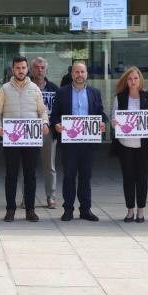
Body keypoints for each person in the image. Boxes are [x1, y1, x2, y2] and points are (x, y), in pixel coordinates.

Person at [0, 56, 49, 222]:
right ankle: (10, 209)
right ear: (13, 69)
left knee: (30, 175)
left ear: (27, 69)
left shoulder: (35, 88)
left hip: (31, 139)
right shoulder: (5, 89)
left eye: (23, 68)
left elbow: (42, 111)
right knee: (11, 175)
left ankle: (30, 209)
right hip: (12, 139)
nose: (21, 71)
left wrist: (45, 123)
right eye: (18, 68)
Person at [50, 62, 106, 222]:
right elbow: (54, 115)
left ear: (86, 74)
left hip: (88, 142)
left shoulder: (95, 93)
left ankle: (85, 210)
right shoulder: (62, 93)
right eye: (76, 72)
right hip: (69, 143)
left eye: (82, 72)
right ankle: (68, 209)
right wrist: (56, 125)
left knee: (85, 177)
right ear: (72, 74)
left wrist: (102, 123)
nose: (79, 75)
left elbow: (100, 113)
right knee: (69, 176)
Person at [111, 67, 148, 223]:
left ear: (140, 80)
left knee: (142, 178)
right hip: (125, 145)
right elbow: (114, 118)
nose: (133, 81)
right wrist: (114, 122)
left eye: (135, 78)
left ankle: (141, 211)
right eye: (130, 79)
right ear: (126, 81)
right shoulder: (120, 98)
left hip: (144, 145)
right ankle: (130, 210)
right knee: (128, 178)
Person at [26, 56, 60, 209]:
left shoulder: (54, 88)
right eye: (36, 68)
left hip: (48, 130)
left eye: (42, 68)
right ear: (31, 70)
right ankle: (26, 198)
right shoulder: (24, 86)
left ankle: (51, 197)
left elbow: (59, 110)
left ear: (46, 70)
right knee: (27, 166)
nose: (39, 71)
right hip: (28, 130)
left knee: (49, 165)